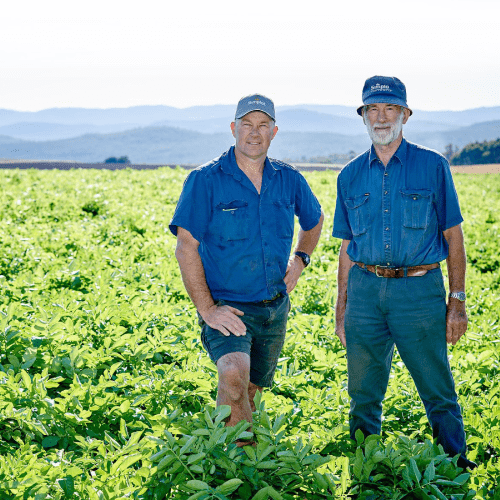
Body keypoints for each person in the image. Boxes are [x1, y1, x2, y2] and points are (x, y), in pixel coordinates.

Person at [332, 76, 476, 469]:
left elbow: (454, 235)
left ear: (405, 115)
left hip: (419, 293)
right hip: (364, 293)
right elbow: (346, 247)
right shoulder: (349, 175)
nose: (381, 117)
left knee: (436, 388)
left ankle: (455, 467)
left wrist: (457, 301)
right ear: (363, 117)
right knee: (362, 393)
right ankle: (367, 472)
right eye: (373, 110)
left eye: (390, 109)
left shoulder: (433, 166)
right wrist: (341, 306)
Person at [169, 94, 323, 440]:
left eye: (263, 125)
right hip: (229, 307)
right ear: (233, 128)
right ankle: (238, 467)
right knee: (234, 376)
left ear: (274, 131)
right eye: (247, 124)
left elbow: (314, 221)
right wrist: (207, 309)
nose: (255, 132)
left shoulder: (289, 179)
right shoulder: (204, 180)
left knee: (249, 391)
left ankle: (229, 444)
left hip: (273, 308)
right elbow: (185, 248)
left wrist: (300, 261)